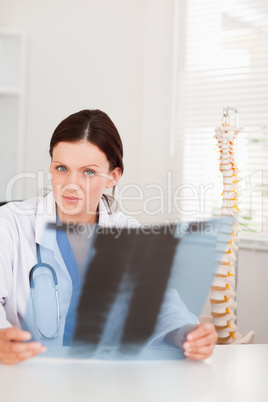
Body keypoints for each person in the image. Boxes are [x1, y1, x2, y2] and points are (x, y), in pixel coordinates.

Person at [0, 109, 217, 365]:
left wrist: (188, 335)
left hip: (106, 376)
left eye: (88, 172)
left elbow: (163, 309)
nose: (71, 184)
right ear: (50, 167)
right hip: (29, 374)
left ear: (112, 177)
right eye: (62, 168)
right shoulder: (10, 224)